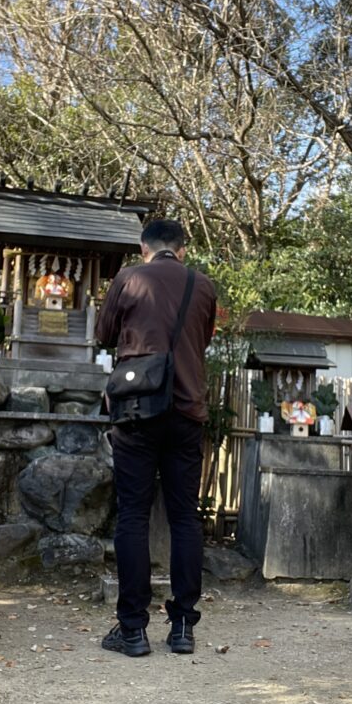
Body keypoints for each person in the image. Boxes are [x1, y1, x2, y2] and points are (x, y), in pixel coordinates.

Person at [95, 219, 217, 657]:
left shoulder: (128, 277)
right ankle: (183, 627)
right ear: (182, 249)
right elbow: (201, 342)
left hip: (135, 412)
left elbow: (103, 333)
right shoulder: (202, 286)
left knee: (133, 515)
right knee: (185, 517)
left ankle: (132, 630)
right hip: (186, 410)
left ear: (142, 247)